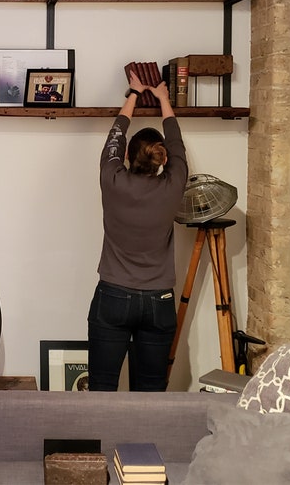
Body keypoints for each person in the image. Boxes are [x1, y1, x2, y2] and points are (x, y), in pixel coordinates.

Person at [88, 71, 188, 391]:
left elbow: (115, 137)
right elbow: (176, 144)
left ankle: (105, 443)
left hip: (113, 296)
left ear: (128, 156)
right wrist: (164, 100)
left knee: (103, 389)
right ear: (162, 159)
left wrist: (133, 92)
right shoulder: (173, 185)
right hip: (158, 302)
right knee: (151, 396)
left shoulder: (112, 179)